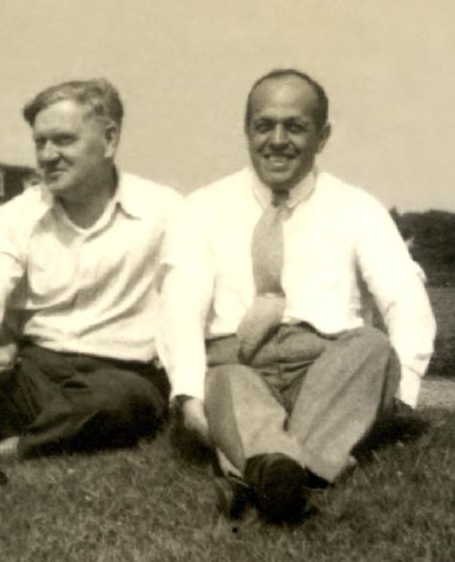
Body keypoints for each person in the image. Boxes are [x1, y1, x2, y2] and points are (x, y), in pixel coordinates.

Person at [158, 69, 437, 523]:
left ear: (322, 136)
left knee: (373, 348)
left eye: (296, 126)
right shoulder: (201, 209)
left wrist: (399, 394)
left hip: (327, 370)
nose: (278, 140)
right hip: (243, 364)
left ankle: (258, 469)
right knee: (223, 382)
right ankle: (302, 471)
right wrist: (188, 395)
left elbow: (403, 294)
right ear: (246, 130)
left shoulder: (356, 206)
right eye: (264, 125)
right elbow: (180, 308)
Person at [0, 78, 181, 511]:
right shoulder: (16, 216)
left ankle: (1, 450)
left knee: (119, 403)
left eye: (64, 140)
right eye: (41, 142)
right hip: (35, 368)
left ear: (109, 139)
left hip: (118, 376)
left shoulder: (164, 211)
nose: (49, 155)